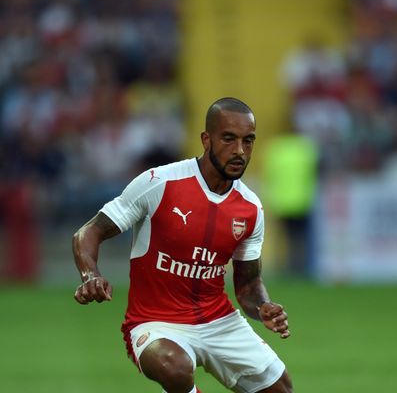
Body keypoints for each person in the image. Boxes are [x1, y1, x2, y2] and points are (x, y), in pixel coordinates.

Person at [72, 97, 294, 393]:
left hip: (219, 322)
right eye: (229, 139)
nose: (240, 150)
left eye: (248, 141)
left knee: (282, 389)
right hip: (155, 324)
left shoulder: (251, 208)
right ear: (206, 139)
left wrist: (263, 306)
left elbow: (248, 285)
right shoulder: (160, 182)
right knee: (174, 368)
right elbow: (88, 232)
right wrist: (91, 274)